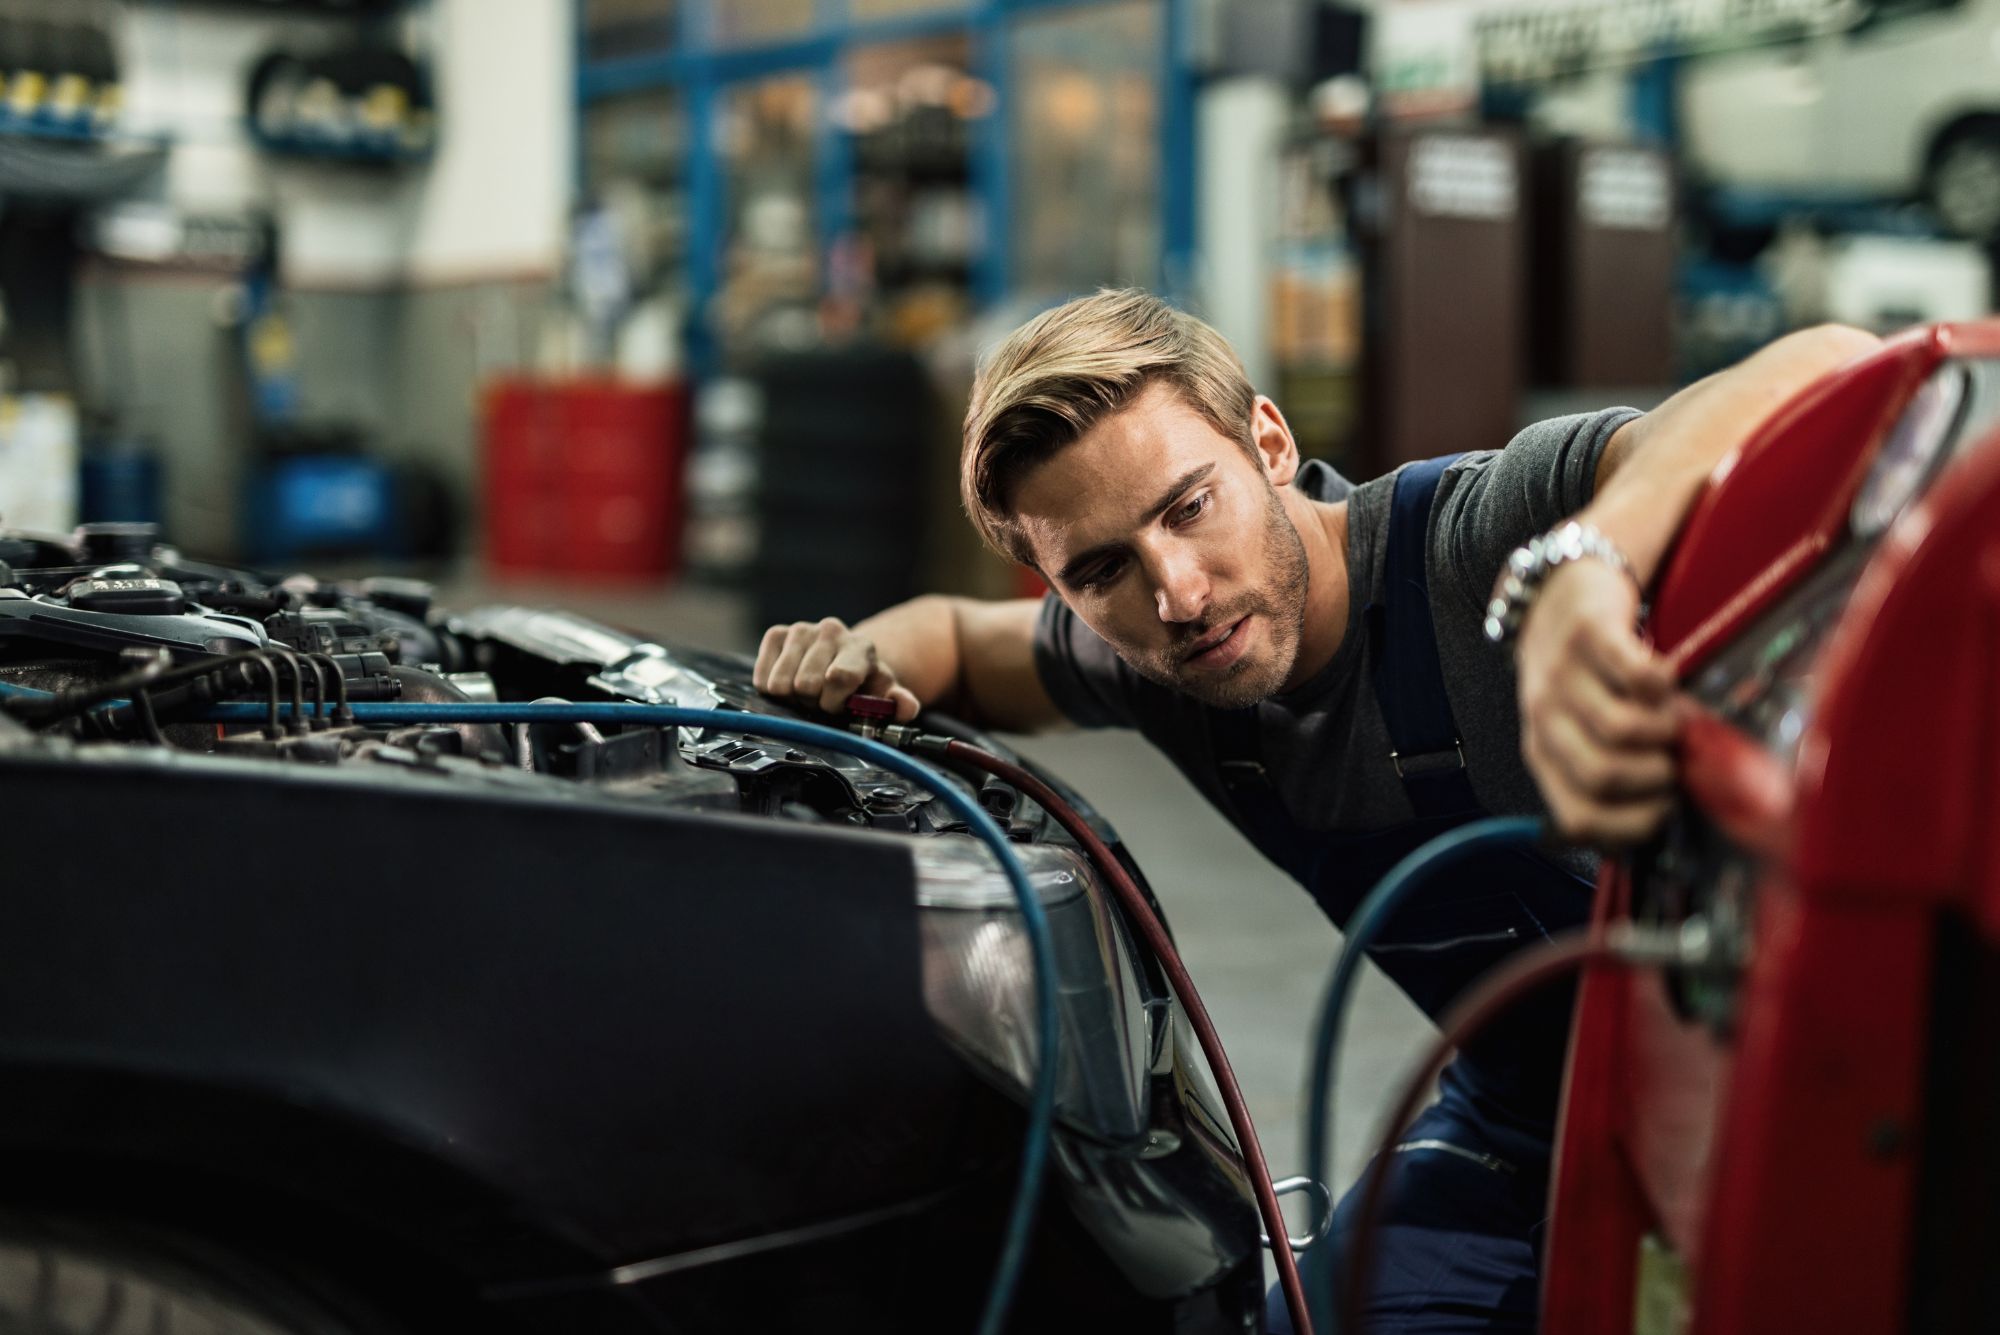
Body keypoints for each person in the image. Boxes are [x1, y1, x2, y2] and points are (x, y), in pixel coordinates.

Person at [751, 288, 1876, 1332]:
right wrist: (850, 659)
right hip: (1526, 1113)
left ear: (1270, 444)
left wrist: (1586, 567)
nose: (1176, 593)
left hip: (1776, 1108)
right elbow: (950, 639)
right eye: (1100, 571)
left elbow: (1835, 366)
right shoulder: (1151, 659)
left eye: (1191, 507)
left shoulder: (1470, 543)